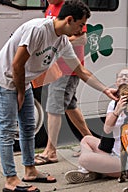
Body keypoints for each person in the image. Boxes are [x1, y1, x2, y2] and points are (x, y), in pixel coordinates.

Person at [0, 0, 117, 192]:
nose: (83, 30)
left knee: (29, 126)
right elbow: (17, 64)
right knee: (7, 130)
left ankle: (30, 170)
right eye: (81, 25)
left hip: (23, 81)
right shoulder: (38, 30)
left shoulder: (62, 40)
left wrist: (105, 90)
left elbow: (80, 71)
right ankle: (11, 179)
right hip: (4, 81)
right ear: (69, 20)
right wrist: (21, 92)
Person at [64, 68, 128, 184]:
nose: (124, 78)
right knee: (86, 140)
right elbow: (107, 129)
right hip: (113, 152)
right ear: (116, 83)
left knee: (83, 159)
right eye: (120, 77)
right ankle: (94, 170)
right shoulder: (113, 103)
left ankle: (90, 170)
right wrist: (117, 111)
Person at [34, 0, 92, 165]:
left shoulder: (72, 8)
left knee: (54, 107)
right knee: (70, 106)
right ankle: (91, 142)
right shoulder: (51, 7)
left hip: (69, 68)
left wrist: (58, 43)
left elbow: (82, 39)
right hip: (56, 67)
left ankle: (50, 151)